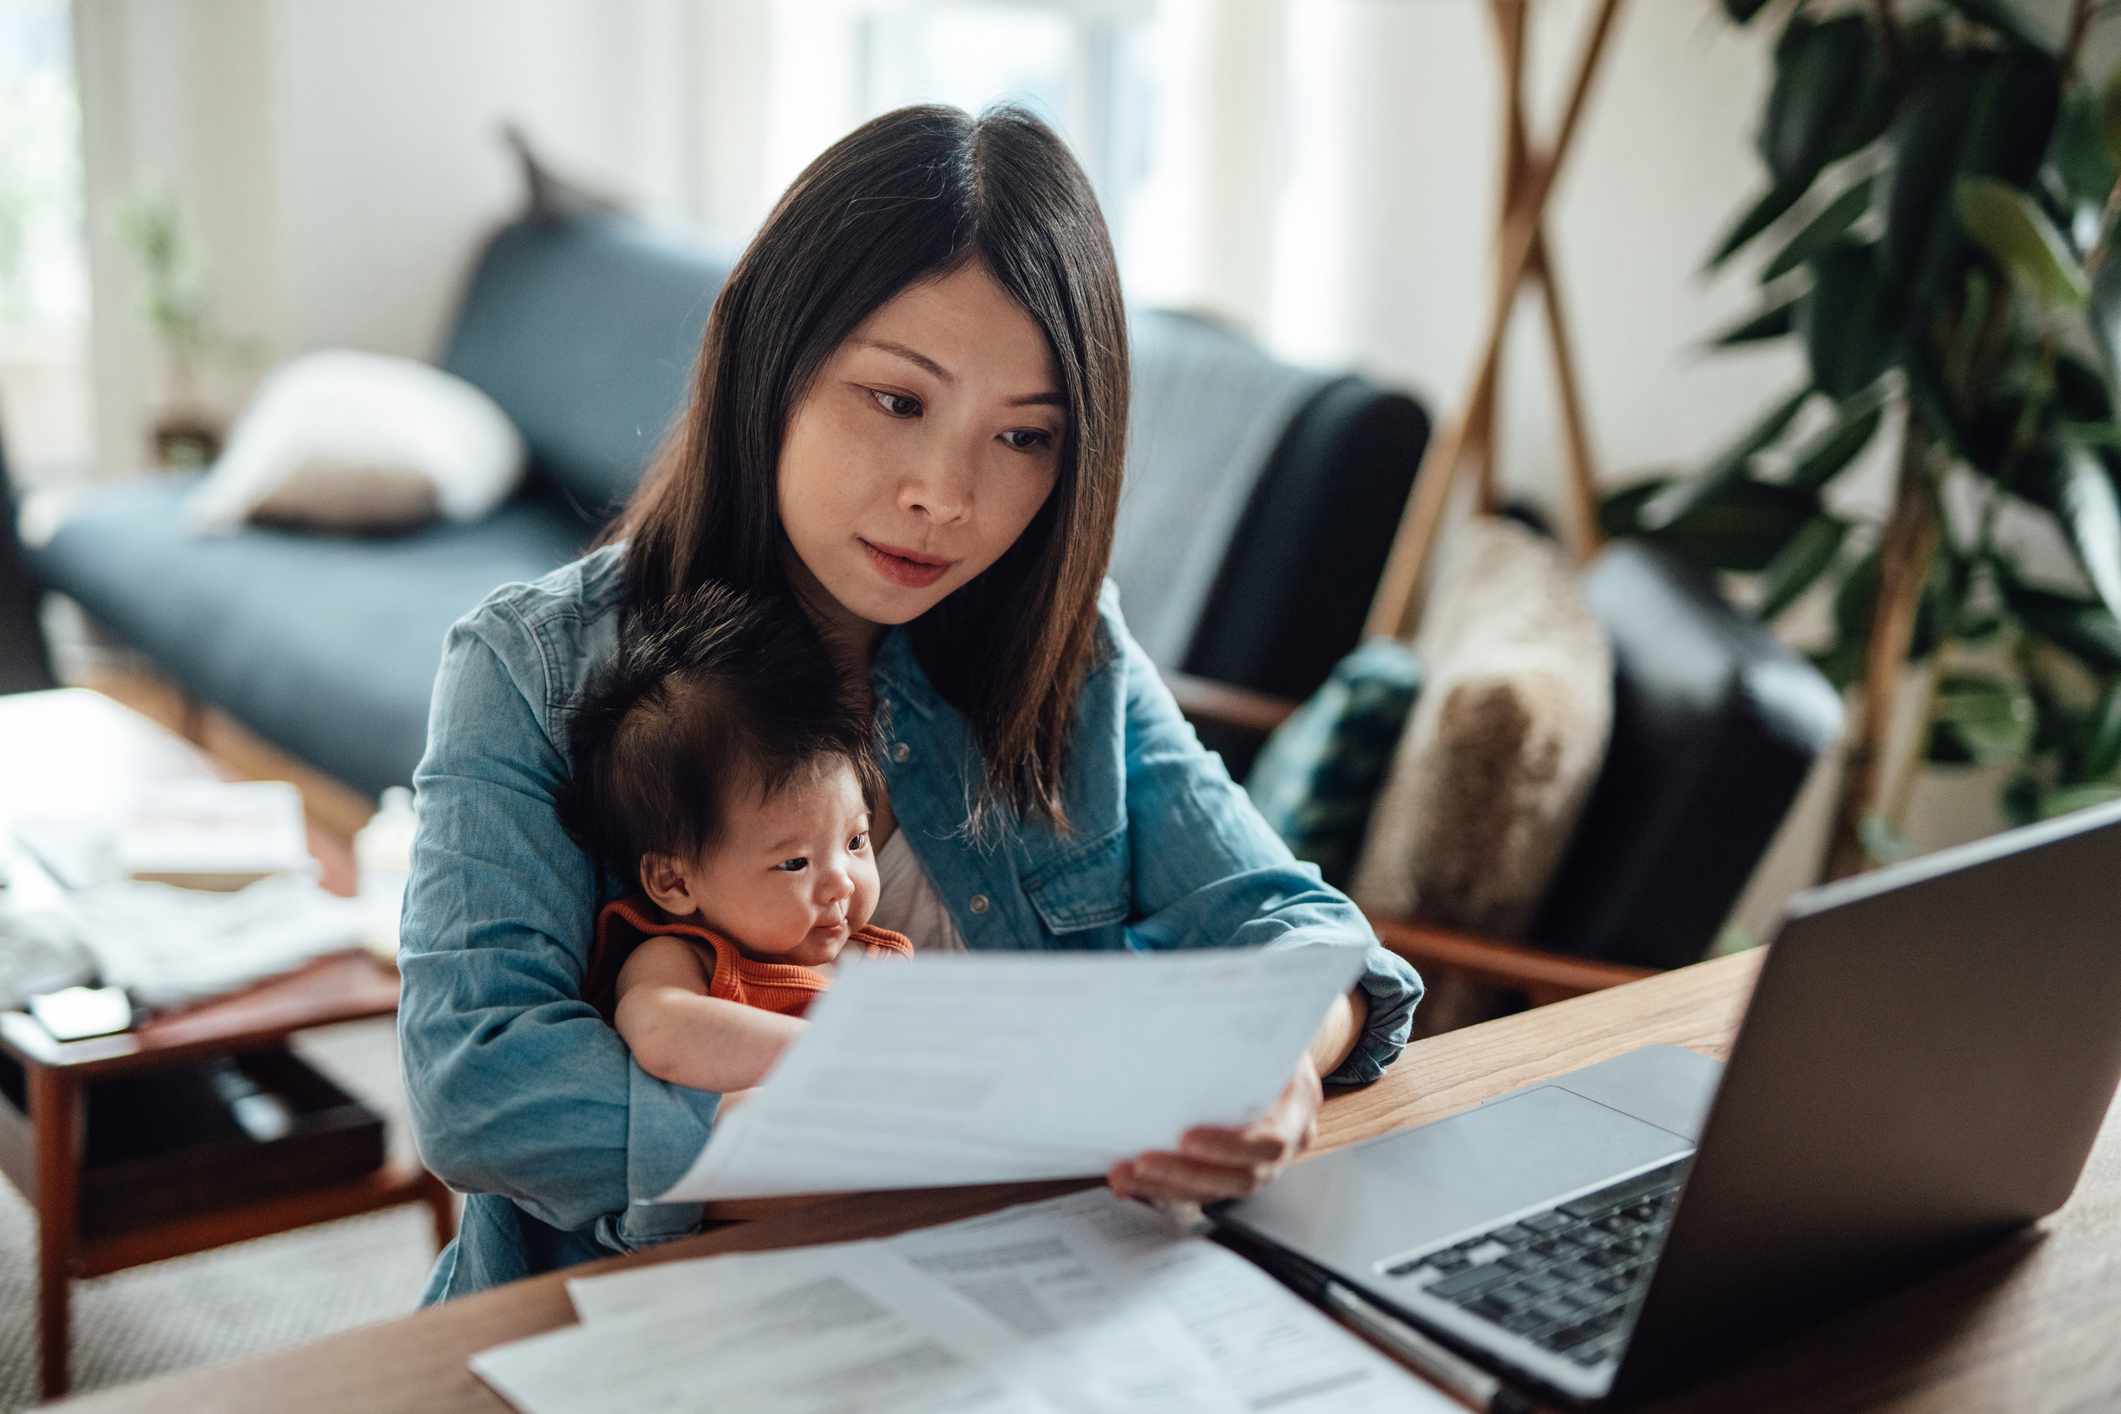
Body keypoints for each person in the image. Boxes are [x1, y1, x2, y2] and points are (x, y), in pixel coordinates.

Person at [398, 102, 1424, 1305]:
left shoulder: (1066, 644)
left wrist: (1278, 1067)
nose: (947, 495)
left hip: (1030, 1297)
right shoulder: (531, 667)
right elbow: (482, 1083)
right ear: (771, 361)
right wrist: (960, 1144)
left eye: (1025, 437)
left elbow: (1300, 933)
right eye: (896, 401)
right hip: (660, 1317)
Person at [556, 580, 914, 1095]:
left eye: (855, 842)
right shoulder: (687, 958)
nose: (843, 884)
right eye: (795, 863)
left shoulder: (866, 958)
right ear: (674, 881)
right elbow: (662, 1034)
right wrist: (842, 1053)